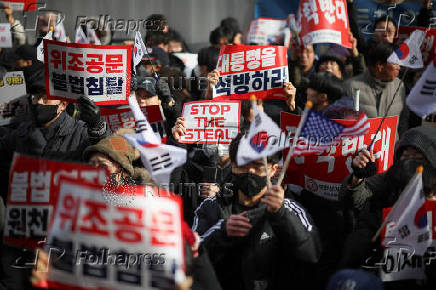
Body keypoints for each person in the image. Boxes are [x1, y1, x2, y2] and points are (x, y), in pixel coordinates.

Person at [192, 133, 322, 290]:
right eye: (243, 165)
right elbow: (192, 258)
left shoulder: (288, 208)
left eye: (258, 166)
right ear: (232, 165)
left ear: (273, 169)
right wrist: (222, 231)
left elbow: (312, 253)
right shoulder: (211, 207)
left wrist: (280, 215)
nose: (250, 171)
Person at [345, 40, 408, 137]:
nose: (399, 67)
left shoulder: (399, 86)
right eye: (395, 63)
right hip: (362, 150)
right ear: (380, 66)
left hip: (391, 150)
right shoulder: (352, 87)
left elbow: (403, 122)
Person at [83, 135, 155, 186]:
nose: (95, 171)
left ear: (123, 173)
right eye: (91, 166)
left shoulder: (140, 198)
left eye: (103, 166)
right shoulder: (80, 196)